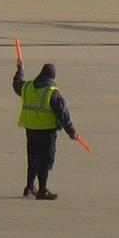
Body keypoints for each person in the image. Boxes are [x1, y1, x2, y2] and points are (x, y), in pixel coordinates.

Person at [13, 61, 76, 200]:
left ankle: (29, 187)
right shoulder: (52, 93)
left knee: (33, 159)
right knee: (45, 160)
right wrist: (71, 131)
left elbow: (17, 85)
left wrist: (20, 71)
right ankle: (42, 190)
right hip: (47, 131)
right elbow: (63, 114)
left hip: (31, 128)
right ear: (53, 77)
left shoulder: (28, 87)